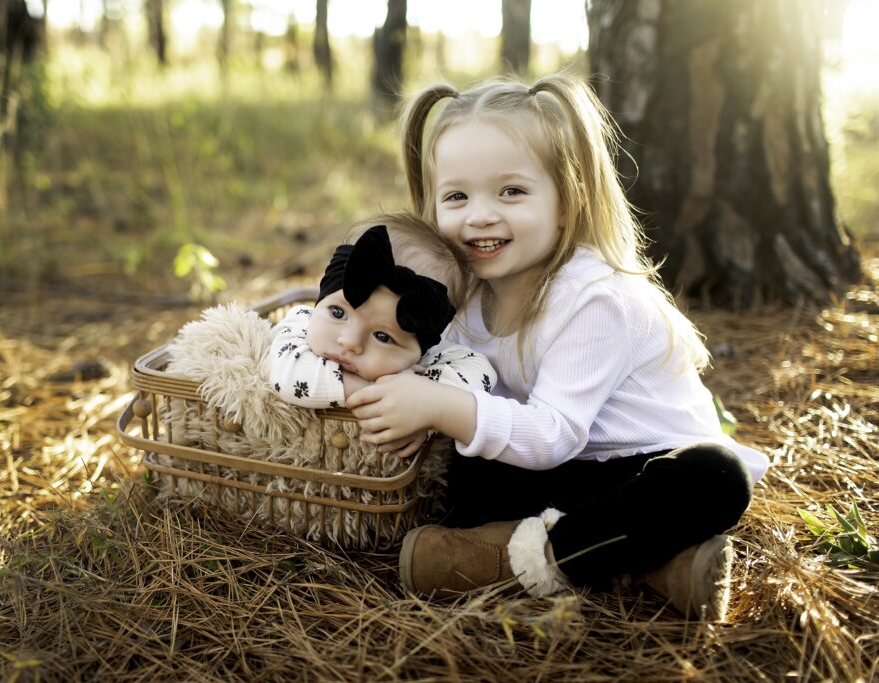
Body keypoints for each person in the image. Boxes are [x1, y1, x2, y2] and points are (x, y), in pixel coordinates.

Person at [345, 74, 770, 621]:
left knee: (715, 477)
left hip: (640, 471)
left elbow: (553, 435)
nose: (479, 215)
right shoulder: (464, 294)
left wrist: (440, 408)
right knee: (462, 475)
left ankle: (508, 561)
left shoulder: (595, 298)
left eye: (511, 192)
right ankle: (654, 567)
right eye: (457, 196)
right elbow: (439, 377)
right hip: (564, 479)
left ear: (567, 203)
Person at [270, 212, 497, 459]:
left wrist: (427, 407)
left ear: (420, 349)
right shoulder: (301, 321)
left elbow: (482, 373)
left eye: (382, 336)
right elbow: (285, 375)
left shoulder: (431, 359)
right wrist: (379, 395)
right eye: (338, 312)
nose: (349, 341)